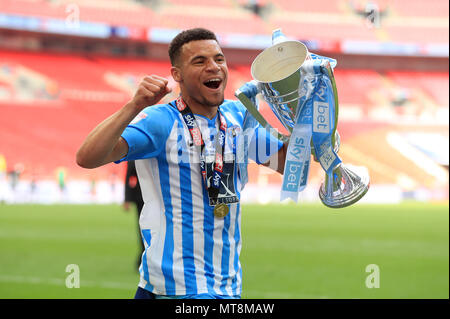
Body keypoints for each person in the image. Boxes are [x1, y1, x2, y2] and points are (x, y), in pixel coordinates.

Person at [76, 28, 286, 299]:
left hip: (226, 286)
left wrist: (315, 132)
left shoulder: (238, 115)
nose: (214, 67)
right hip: (172, 287)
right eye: (199, 61)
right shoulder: (160, 120)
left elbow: (285, 163)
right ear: (177, 75)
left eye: (219, 59)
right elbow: (87, 156)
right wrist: (134, 106)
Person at [123, 160, 145, 269]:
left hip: (157, 198)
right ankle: (143, 257)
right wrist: (127, 199)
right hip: (140, 198)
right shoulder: (134, 157)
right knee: (143, 228)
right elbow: (129, 177)